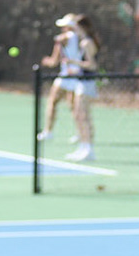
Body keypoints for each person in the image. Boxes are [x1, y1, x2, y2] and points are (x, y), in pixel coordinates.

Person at [39, 13, 99, 162]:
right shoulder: (82, 41)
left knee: (82, 114)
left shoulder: (86, 43)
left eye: (76, 27)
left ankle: (88, 148)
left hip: (86, 82)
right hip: (79, 80)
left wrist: (74, 62)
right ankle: (83, 146)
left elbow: (92, 65)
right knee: (78, 113)